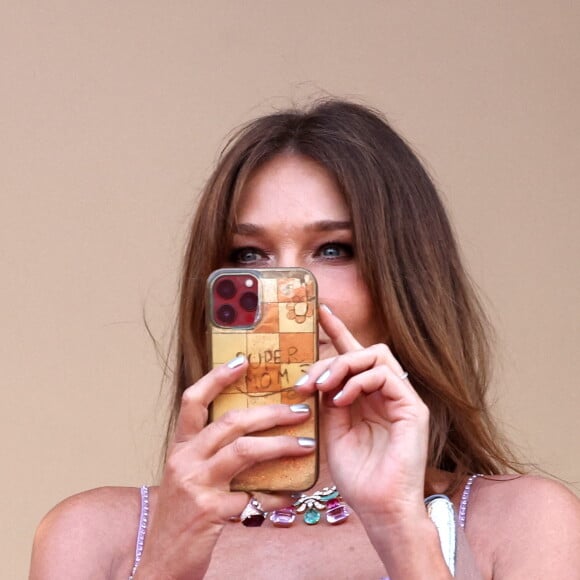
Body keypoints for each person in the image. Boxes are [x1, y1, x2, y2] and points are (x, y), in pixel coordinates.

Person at [30, 99, 580, 579]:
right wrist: (166, 565)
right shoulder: (92, 537)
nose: (290, 294)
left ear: (407, 277)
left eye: (335, 248)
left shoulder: (524, 524)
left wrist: (400, 529)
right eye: (249, 256)